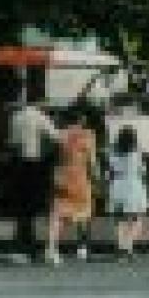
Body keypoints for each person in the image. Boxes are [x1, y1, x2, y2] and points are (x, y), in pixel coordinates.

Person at [6, 97, 60, 261]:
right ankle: (33, 248)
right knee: (35, 206)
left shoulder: (16, 117)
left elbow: (13, 143)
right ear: (40, 104)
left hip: (19, 165)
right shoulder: (39, 116)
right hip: (35, 165)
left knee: (22, 209)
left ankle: (22, 245)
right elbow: (55, 137)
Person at [44, 105, 99, 265]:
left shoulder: (59, 135)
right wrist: (96, 177)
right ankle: (82, 248)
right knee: (84, 212)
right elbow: (92, 161)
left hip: (60, 176)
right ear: (81, 119)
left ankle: (52, 250)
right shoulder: (88, 135)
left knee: (57, 215)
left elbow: (51, 156)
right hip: (79, 177)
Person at [105, 123, 149, 258]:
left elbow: (109, 171)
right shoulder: (136, 152)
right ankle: (128, 246)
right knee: (136, 218)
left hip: (117, 186)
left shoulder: (113, 152)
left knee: (120, 219)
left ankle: (120, 246)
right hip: (133, 186)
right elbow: (142, 170)